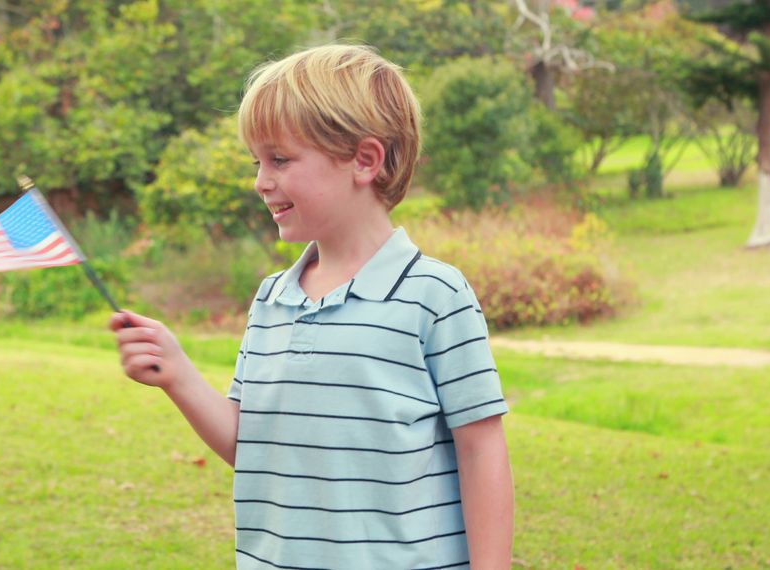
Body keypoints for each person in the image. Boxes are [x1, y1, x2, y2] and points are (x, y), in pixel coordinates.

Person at [110, 44, 513, 569]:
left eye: (280, 159)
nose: (261, 180)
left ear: (364, 161)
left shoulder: (433, 296)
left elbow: (482, 453)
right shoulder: (271, 299)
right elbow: (250, 446)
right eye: (257, 162)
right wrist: (177, 373)